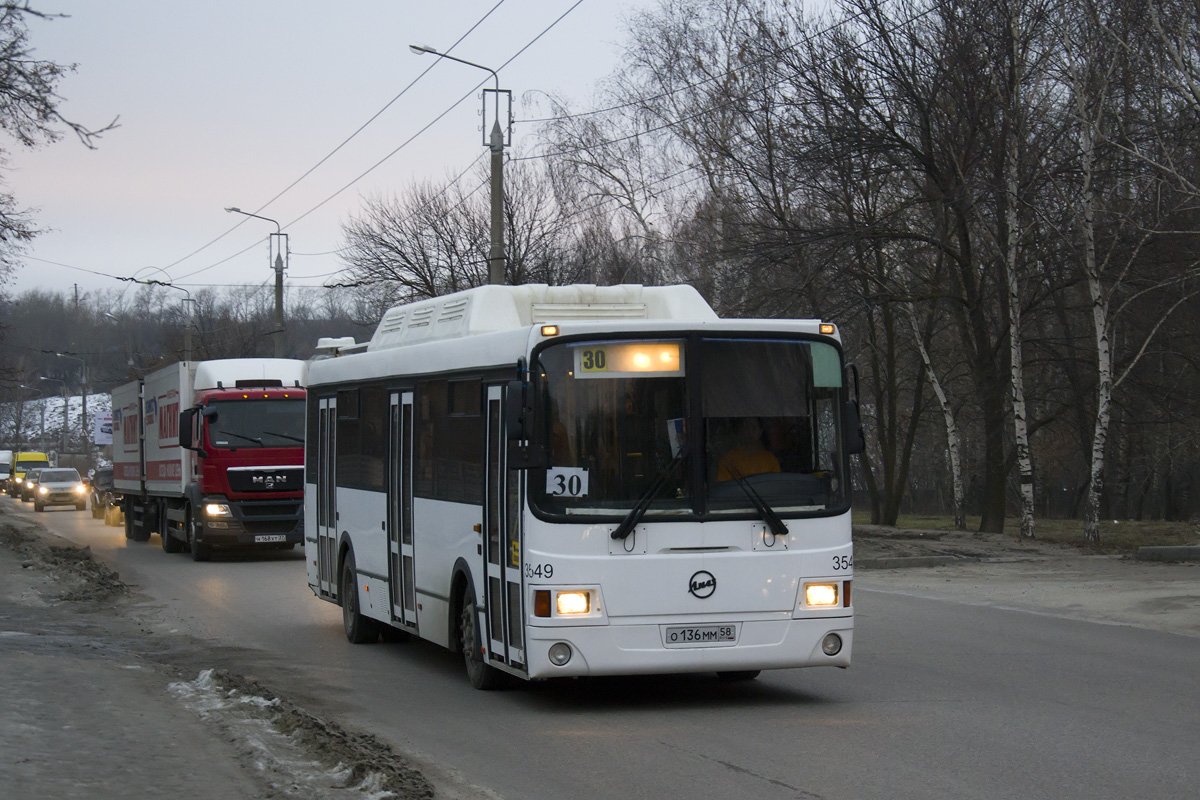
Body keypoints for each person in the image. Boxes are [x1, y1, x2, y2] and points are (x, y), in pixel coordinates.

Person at [717, 417, 780, 481]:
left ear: (760, 430)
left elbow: (775, 486)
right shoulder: (729, 459)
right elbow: (724, 488)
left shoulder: (771, 460)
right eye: (746, 426)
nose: (750, 431)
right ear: (740, 430)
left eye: (754, 427)